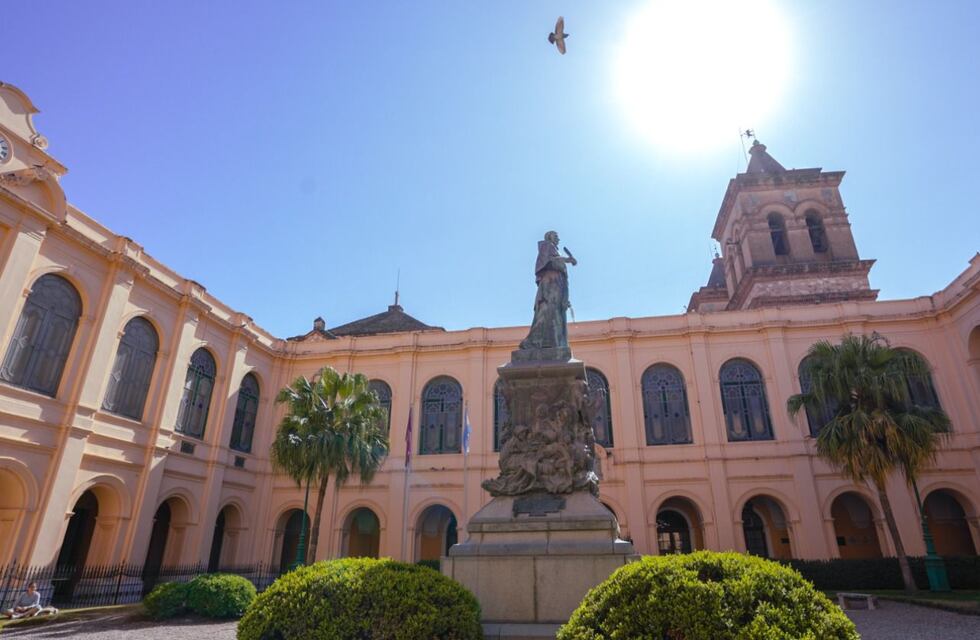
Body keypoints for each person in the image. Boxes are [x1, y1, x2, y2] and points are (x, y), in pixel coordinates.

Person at [519, 230, 577, 352]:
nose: (558, 239)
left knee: (554, 313)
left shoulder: (554, 251)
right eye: (556, 236)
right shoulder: (547, 246)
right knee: (548, 312)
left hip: (557, 284)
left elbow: (556, 261)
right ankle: (534, 342)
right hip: (550, 284)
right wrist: (568, 259)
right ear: (549, 237)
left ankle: (553, 342)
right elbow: (551, 260)